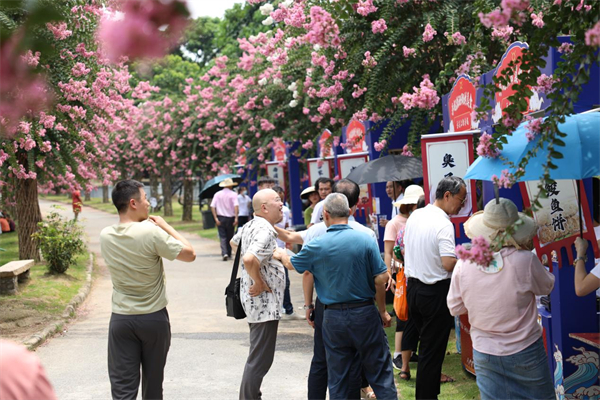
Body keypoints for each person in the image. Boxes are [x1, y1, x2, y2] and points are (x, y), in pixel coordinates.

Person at [274, 193, 397, 400]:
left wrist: (281, 254)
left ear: (325, 214)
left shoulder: (318, 244)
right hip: (365, 313)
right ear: (350, 212)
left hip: (333, 317)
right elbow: (380, 279)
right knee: (380, 374)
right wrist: (383, 310)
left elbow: (293, 265)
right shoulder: (365, 239)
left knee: (339, 378)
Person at [447, 197, 555, 400]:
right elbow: (547, 285)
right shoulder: (526, 260)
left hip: (485, 350)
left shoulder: (464, 264)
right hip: (525, 348)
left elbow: (455, 307)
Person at [99, 179, 196, 400]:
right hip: (154, 319)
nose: (149, 204)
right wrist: (166, 226)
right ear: (133, 203)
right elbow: (190, 254)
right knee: (153, 387)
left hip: (121, 320)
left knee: (123, 388)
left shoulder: (106, 235)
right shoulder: (151, 233)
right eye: (145, 200)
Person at [402, 175, 466, 400]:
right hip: (434, 292)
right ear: (447, 195)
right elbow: (448, 263)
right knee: (431, 353)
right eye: (461, 199)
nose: (462, 206)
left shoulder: (416, 214)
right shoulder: (443, 222)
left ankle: (429, 395)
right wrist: (469, 260)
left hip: (415, 291)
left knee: (429, 350)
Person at [230, 189, 285, 400]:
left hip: (255, 303)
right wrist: (259, 281)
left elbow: (234, 243)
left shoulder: (249, 225)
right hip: (264, 304)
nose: (281, 204)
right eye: (277, 200)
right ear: (264, 208)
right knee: (260, 359)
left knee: (258, 356)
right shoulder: (264, 229)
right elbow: (249, 259)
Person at [383, 185, 424, 377]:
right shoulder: (395, 224)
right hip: (402, 274)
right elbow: (389, 252)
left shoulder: (417, 222)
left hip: (413, 274)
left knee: (411, 316)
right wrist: (389, 274)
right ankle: (399, 355)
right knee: (402, 315)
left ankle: (407, 354)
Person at [272, 186, 301, 320]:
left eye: (281, 199)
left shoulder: (286, 211)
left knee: (285, 281)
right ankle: (275, 309)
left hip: (282, 250)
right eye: (277, 199)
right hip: (270, 252)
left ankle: (288, 309)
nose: (280, 202)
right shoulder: (266, 213)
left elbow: (288, 229)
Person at [210, 178, 239, 261]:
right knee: (230, 236)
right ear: (230, 185)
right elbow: (236, 206)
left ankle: (224, 253)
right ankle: (229, 253)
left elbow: (212, 206)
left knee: (222, 236)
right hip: (231, 218)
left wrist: (215, 218)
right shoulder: (233, 194)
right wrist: (236, 217)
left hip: (220, 217)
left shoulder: (217, 194)